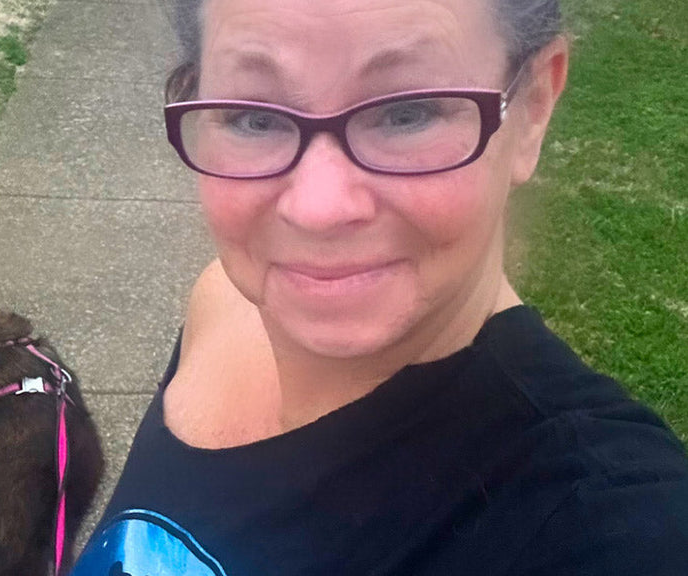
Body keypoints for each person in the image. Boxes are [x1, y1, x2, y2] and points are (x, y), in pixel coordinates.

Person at [71, 0, 688, 574]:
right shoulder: (227, 303)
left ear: (530, 111)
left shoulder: (602, 520)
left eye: (407, 112)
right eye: (253, 117)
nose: (319, 208)